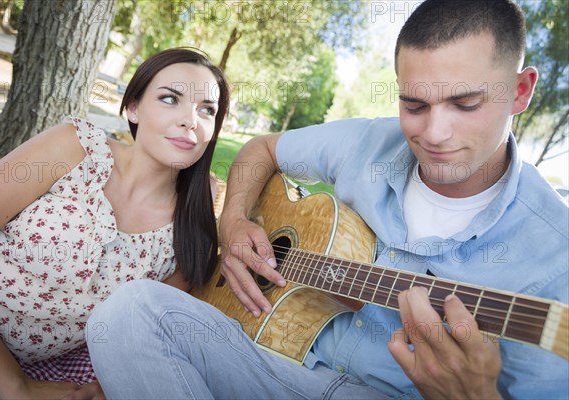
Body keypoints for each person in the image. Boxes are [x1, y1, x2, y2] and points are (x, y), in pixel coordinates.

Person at [86, 1, 568, 399]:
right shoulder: (366, 143)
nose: (435, 133)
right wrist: (233, 222)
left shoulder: (555, 256)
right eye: (414, 105)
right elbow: (262, 149)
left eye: (466, 104)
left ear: (520, 91)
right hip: (276, 359)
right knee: (128, 312)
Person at [0, 48, 230, 399]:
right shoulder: (74, 149)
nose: (191, 121)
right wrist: (16, 387)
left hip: (47, 369)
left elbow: (143, 331)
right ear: (133, 108)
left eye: (207, 111)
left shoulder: (190, 228)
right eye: (170, 99)